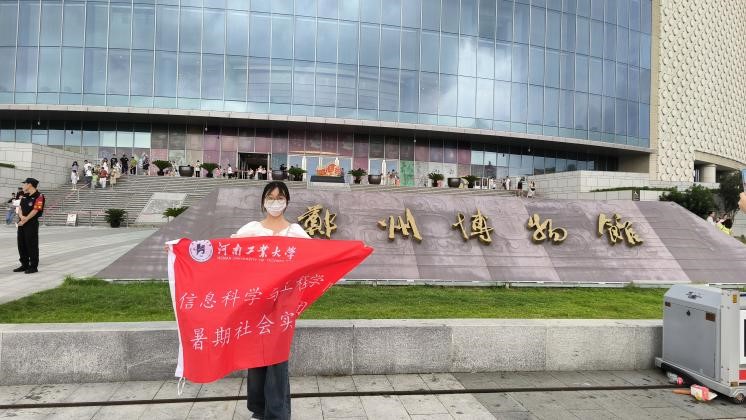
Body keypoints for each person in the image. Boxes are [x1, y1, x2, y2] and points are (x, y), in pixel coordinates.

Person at [231, 181, 310, 420]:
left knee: (277, 358)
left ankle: (277, 413)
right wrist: (181, 251)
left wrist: (352, 250)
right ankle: (258, 410)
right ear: (263, 201)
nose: (275, 202)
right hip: (255, 304)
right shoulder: (252, 229)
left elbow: (317, 256)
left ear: (287, 201)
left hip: (283, 305)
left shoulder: (295, 232)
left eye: (280, 197)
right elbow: (224, 252)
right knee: (256, 355)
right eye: (271, 197)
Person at [14, 178, 44, 274]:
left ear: (30, 184)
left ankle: (33, 266)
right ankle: (24, 264)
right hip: (22, 223)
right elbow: (19, 208)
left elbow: (35, 210)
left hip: (31, 223)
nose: (23, 185)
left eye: (25, 183)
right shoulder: (24, 196)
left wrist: (25, 220)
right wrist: (22, 217)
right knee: (21, 244)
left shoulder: (39, 196)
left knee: (31, 244)